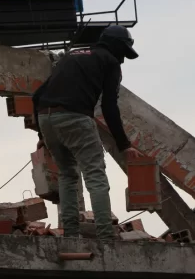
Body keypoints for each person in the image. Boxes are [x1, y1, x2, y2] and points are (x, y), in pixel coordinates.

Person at [32, 25, 142, 240]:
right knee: (95, 174)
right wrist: (124, 145)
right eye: (124, 54)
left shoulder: (71, 57)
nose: (123, 60)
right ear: (116, 47)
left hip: (46, 118)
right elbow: (109, 106)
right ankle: (105, 236)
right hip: (75, 117)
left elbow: (37, 96)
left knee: (67, 175)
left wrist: (41, 136)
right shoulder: (110, 62)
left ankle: (71, 235)